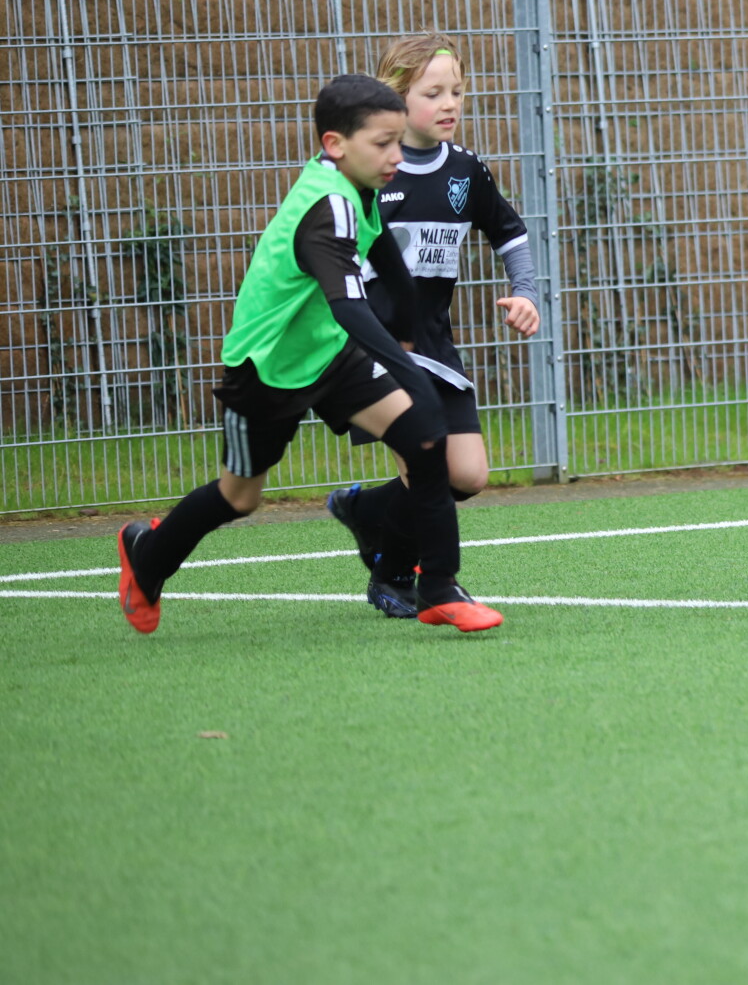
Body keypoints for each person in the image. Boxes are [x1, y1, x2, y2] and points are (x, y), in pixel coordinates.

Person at [115, 75, 502, 633]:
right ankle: (146, 554)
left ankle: (439, 587)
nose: (396, 156)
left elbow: (383, 251)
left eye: (397, 142)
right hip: (267, 367)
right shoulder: (327, 206)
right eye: (383, 143)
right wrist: (408, 369)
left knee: (424, 438)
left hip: (330, 352)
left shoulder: (358, 181)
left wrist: (407, 330)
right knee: (239, 497)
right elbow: (348, 306)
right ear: (334, 144)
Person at [326, 34, 542, 616]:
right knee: (423, 466)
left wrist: (525, 293)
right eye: (433, 93)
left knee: (467, 476)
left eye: (457, 92)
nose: (449, 103)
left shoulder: (466, 171)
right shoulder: (371, 173)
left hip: (435, 349)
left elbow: (510, 233)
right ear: (396, 100)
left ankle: (366, 512)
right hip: (373, 349)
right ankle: (401, 576)